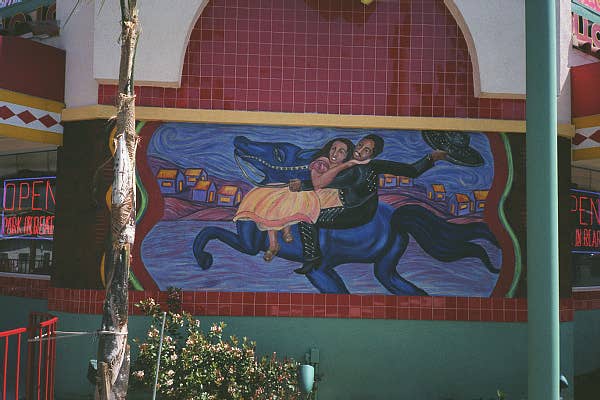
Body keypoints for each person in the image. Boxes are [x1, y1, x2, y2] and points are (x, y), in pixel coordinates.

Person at [290, 134, 447, 274]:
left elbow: (326, 183)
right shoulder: (373, 164)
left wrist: (302, 185)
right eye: (359, 145)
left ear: (372, 154)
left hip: (353, 211)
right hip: (365, 207)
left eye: (366, 150)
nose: (359, 151)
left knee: (307, 219)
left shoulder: (356, 170)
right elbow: (412, 170)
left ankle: (312, 258)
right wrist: (431, 158)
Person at [234, 138, 366, 262]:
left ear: (347, 155)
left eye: (341, 151)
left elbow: (322, 185)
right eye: (333, 149)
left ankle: (291, 237)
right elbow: (315, 181)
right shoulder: (322, 162)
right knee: (274, 201)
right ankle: (274, 244)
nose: (335, 153)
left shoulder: (347, 170)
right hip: (311, 191)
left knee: (290, 200)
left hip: (324, 198)